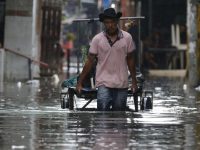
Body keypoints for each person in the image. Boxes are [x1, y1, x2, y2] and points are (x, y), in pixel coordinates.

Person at [76, 8, 137, 111]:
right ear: (104, 23)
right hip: (103, 82)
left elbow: (131, 60)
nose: (110, 25)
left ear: (116, 22)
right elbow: (90, 61)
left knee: (119, 115)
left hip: (121, 83)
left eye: (112, 22)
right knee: (102, 114)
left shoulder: (127, 38)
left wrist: (134, 82)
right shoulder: (97, 39)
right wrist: (80, 82)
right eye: (107, 22)